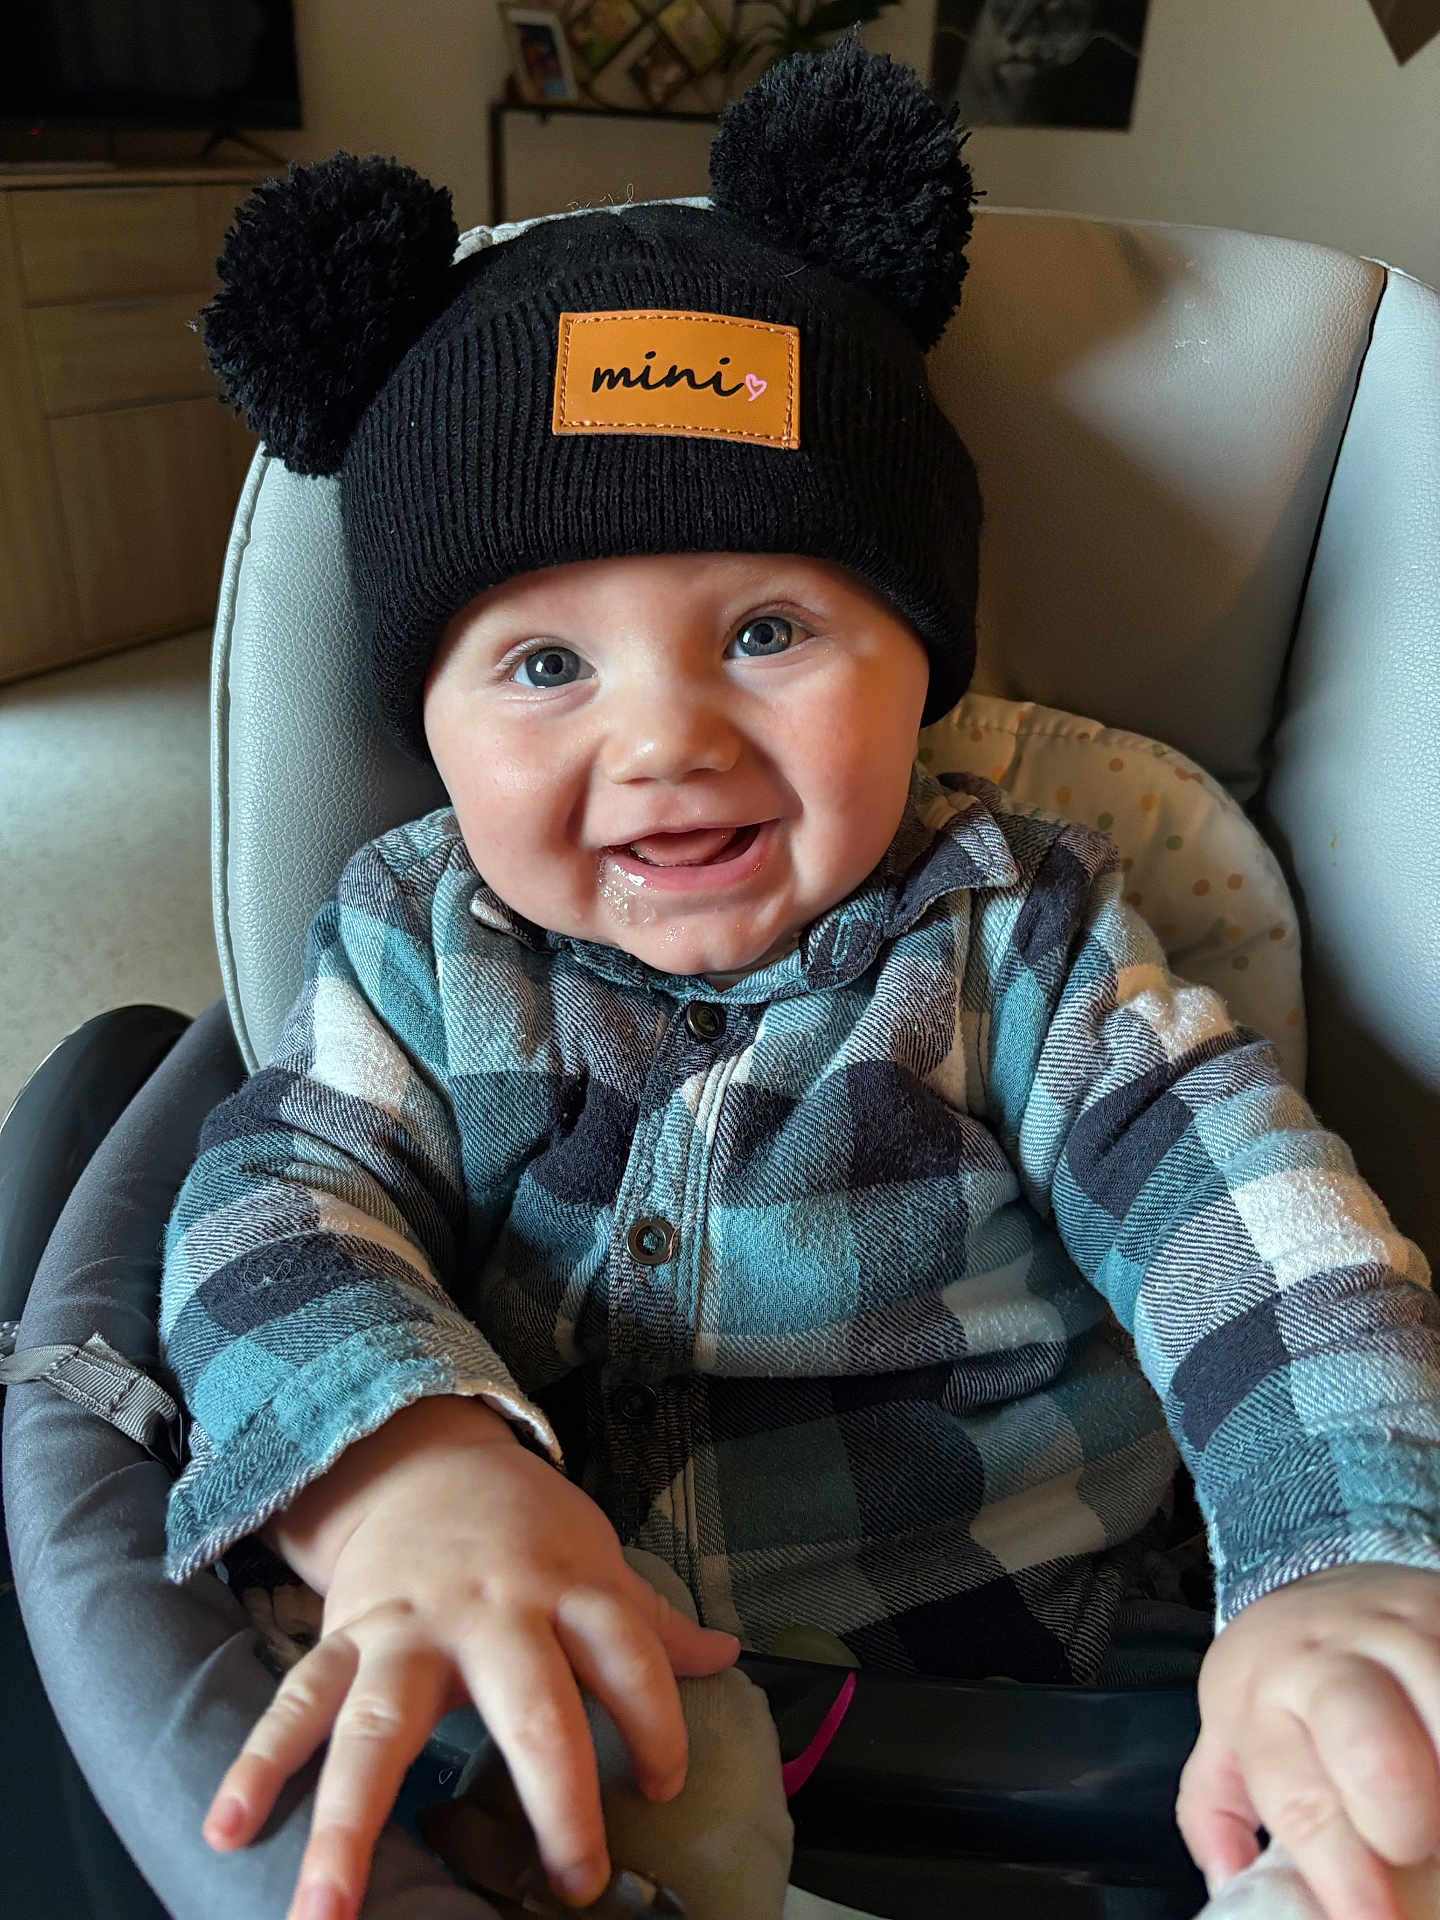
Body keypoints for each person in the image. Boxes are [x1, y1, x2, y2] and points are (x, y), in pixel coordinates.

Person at [161, 32, 1440, 1920]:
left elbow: (1252, 1222)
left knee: (1374, 1819)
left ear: (926, 662)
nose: (665, 738)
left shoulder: (1027, 925)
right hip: (577, 1649)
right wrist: (408, 1467)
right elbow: (282, 1201)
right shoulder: (417, 941)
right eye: (541, 669)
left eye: (767, 630)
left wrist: (1343, 1555)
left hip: (1046, 1655)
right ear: (420, 723)